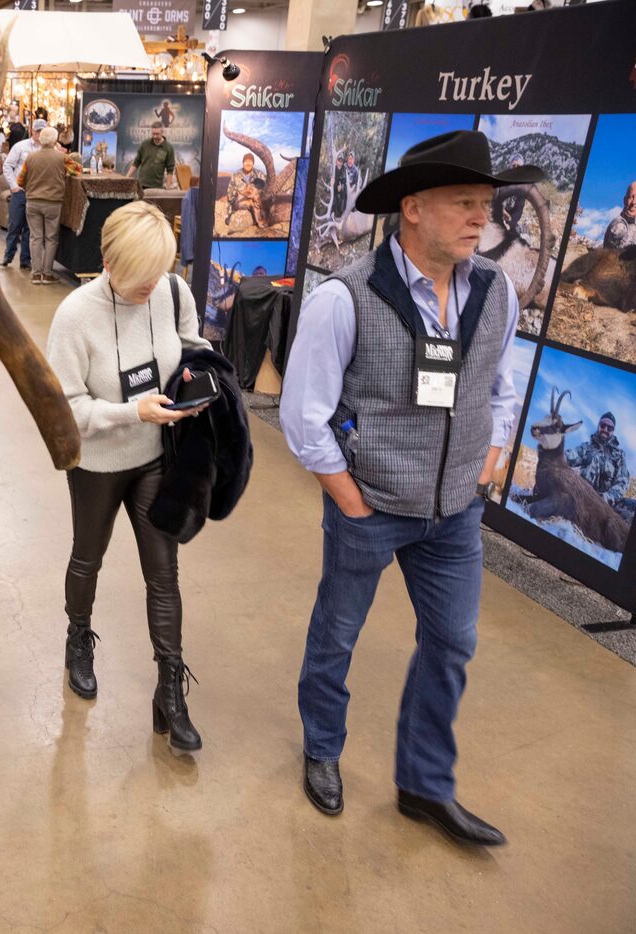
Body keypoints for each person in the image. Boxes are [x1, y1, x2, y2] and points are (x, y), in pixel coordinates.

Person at [281, 130, 544, 846]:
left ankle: (425, 785)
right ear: (413, 208)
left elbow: (503, 386)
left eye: (486, 205)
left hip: (455, 513)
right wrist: (350, 500)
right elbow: (303, 415)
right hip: (370, 507)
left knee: (453, 642)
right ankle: (322, 749)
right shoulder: (347, 298)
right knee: (338, 634)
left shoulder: (494, 293)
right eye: (464, 202)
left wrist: (485, 462)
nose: (479, 219)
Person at [44, 201, 212, 750]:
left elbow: (192, 346)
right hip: (96, 463)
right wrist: (131, 411)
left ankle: (171, 688)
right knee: (87, 556)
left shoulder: (170, 290)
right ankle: (78, 640)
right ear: (109, 263)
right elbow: (64, 409)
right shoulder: (74, 316)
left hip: (154, 457)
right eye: (140, 279)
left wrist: (202, 380)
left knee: (164, 573)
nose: (151, 289)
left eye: (158, 274)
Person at [19, 127, 68, 285]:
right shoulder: (62, 157)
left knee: (35, 238)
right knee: (51, 238)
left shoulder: (31, 157)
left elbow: (20, 180)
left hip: (33, 202)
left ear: (40, 139)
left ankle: (35, 273)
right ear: (54, 140)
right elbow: (77, 170)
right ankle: (47, 274)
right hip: (53, 203)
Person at [1, 118, 47, 271]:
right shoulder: (20, 146)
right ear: (32, 131)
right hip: (20, 191)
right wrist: (13, 186)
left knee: (30, 228)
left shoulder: (47, 150)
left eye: (42, 131)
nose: (39, 134)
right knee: (15, 224)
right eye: (37, 131)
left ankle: (25, 260)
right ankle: (8, 255)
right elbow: (7, 165)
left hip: (36, 193)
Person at [567, 412, 632, 512]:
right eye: (603, 425)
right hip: (584, 497)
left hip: (607, 502)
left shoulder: (619, 455)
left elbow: (622, 482)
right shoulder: (586, 447)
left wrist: (606, 498)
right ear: (598, 426)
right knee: (592, 457)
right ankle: (581, 506)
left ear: (613, 431)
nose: (605, 430)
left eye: (609, 428)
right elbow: (569, 456)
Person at [130, 122, 175, 190]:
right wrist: (127, 177)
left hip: (157, 186)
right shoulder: (145, 144)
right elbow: (136, 162)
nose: (155, 136)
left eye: (157, 134)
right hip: (142, 184)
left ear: (162, 132)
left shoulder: (168, 148)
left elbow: (170, 169)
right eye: (153, 134)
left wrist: (168, 187)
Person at [226, 153, 267, 224]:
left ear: (253, 163)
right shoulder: (235, 175)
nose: (248, 163)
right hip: (240, 204)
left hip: (257, 204)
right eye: (246, 161)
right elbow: (229, 197)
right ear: (243, 163)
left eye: (250, 161)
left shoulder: (260, 174)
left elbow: (268, 188)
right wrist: (241, 193)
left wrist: (257, 195)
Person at [602, 181, 636, 250]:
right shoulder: (618, 225)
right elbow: (625, 255)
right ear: (624, 200)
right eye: (631, 197)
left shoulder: (633, 225)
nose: (634, 202)